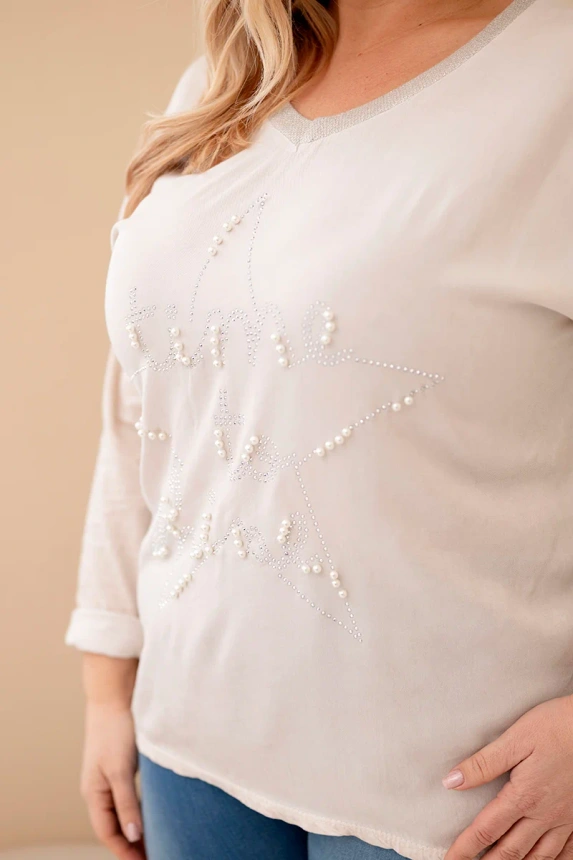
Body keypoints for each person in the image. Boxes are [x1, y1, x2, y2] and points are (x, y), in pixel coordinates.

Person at [65, 0, 573, 857]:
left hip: (456, 794)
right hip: (185, 746)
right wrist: (106, 690)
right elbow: (144, 407)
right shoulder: (227, 78)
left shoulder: (553, 74)